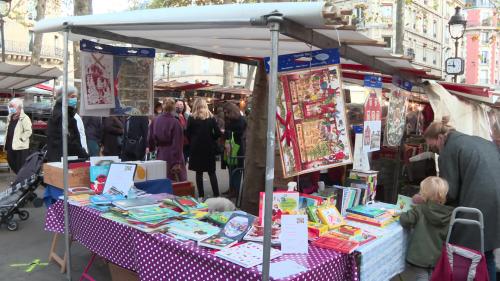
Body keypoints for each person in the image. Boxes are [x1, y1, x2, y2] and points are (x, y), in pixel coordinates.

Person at [423, 117, 500, 281]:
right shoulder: (480, 141)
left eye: (434, 147)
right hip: (495, 205)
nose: (436, 152)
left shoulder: (450, 149)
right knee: (486, 254)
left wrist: (427, 197)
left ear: (441, 138)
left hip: (478, 205)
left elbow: (449, 192)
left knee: (464, 256)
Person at [400, 176, 454, 281]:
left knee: (421, 276)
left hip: (419, 256)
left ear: (423, 194)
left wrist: (404, 213)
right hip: (436, 256)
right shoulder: (449, 213)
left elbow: (405, 220)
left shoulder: (420, 209)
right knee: (430, 276)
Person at [186, 98, 222, 198]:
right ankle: (216, 194)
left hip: (196, 148)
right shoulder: (211, 117)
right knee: (211, 172)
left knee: (199, 173)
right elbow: (218, 133)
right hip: (209, 148)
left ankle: (201, 196)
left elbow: (187, 133)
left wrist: (193, 140)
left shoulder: (191, 118)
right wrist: (212, 138)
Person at [46, 86, 88, 162]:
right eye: (72, 96)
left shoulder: (58, 113)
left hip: (57, 158)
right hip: (66, 159)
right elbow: (70, 141)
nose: (75, 99)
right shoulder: (64, 116)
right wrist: (83, 154)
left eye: (76, 97)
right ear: (64, 98)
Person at [149, 98, 186, 182]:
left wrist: (152, 149)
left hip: (160, 153)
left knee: (163, 178)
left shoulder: (155, 120)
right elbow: (177, 143)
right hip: (173, 155)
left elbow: (150, 138)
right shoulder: (175, 122)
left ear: (163, 106)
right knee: (176, 182)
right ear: (173, 107)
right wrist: (176, 162)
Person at [222, 102, 246, 198]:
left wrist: (226, 132)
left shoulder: (240, 120)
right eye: (225, 113)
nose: (226, 114)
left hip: (237, 148)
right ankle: (231, 188)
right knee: (230, 169)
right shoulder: (230, 120)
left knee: (236, 170)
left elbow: (239, 134)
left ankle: (235, 190)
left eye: (227, 112)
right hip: (230, 147)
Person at [5, 98, 32, 173]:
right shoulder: (10, 117)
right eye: (10, 106)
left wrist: (21, 139)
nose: (11, 108)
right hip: (11, 144)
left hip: (20, 146)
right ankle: (19, 177)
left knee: (20, 165)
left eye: (12, 107)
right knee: (10, 161)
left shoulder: (25, 118)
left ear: (19, 107)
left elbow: (28, 131)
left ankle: (20, 180)